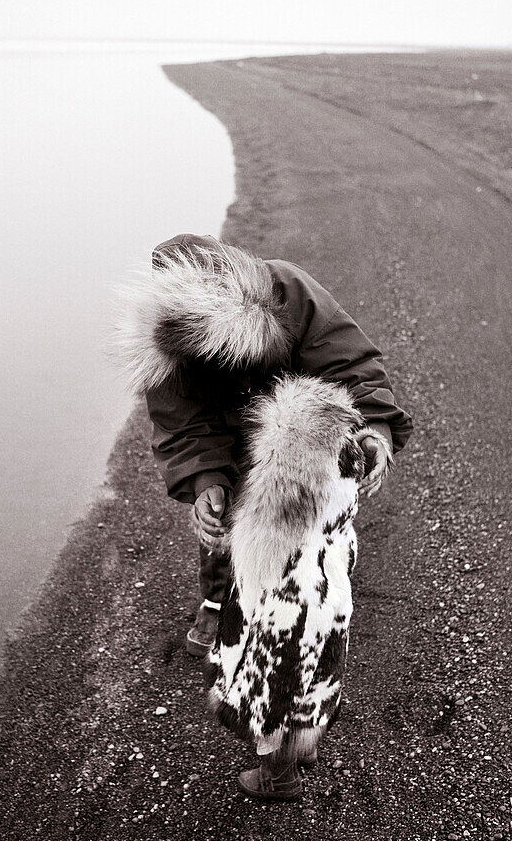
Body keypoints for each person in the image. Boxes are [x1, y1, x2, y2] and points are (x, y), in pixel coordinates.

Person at [119, 233, 413, 794]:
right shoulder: (160, 345)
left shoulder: (288, 291)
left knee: (278, 601)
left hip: (299, 454)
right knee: (221, 534)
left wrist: (374, 428)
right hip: (233, 452)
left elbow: (352, 365)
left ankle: (277, 731)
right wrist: (205, 481)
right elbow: (181, 424)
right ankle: (216, 600)